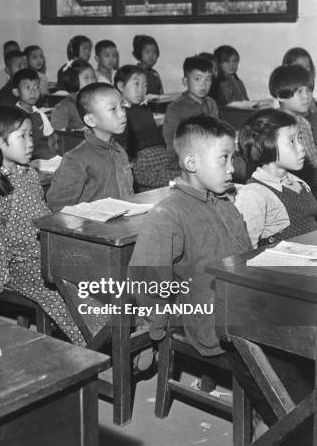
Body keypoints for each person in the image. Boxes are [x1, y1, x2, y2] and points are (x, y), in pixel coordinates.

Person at [0, 105, 89, 346]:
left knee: (89, 274)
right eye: (22, 136)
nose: (30, 143)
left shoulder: (29, 175)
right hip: (16, 265)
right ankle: (92, 344)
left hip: (45, 254)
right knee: (57, 293)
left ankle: (114, 334)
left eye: (31, 135)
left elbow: (43, 214)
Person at [128, 115, 250, 357]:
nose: (232, 168)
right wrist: (158, 325)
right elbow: (145, 281)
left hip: (239, 302)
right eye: (224, 158)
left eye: (232, 158)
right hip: (211, 321)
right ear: (192, 163)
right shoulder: (168, 213)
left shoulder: (223, 203)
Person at [235, 109, 317, 248]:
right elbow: (244, 251)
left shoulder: (298, 183)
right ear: (267, 145)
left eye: (300, 138)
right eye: (292, 141)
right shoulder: (254, 194)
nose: (302, 147)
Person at [47, 83, 133, 212]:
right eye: (113, 109)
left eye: (122, 106)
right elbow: (57, 207)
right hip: (89, 228)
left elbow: (128, 194)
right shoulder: (76, 159)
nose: (122, 114)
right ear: (91, 120)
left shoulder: (119, 151)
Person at [114, 65, 179, 191]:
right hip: (143, 163)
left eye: (144, 85)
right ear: (121, 86)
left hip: (161, 158)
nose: (141, 90)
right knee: (179, 179)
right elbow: (121, 144)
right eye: (136, 84)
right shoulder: (121, 113)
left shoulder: (143, 108)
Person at [162, 55, 219, 150]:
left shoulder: (211, 103)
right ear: (185, 81)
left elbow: (217, 132)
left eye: (208, 79)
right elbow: (171, 143)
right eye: (197, 79)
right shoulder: (175, 108)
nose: (204, 84)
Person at [268, 65, 317, 168]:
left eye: (309, 90)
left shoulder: (304, 122)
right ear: (280, 96)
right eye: (299, 91)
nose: (306, 96)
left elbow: (313, 158)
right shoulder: (273, 126)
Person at [12, 68, 56, 159]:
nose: (33, 92)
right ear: (16, 92)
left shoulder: (40, 114)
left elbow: (51, 139)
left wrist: (52, 157)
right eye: (27, 87)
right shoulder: (12, 116)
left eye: (36, 87)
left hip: (44, 158)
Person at [51, 60, 96, 131]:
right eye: (86, 78)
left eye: (93, 77)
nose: (91, 81)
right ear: (74, 80)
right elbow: (59, 133)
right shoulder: (63, 107)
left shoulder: (98, 102)